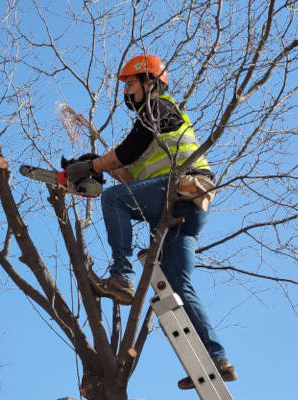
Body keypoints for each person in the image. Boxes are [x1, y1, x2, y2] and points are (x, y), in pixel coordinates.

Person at [65, 54, 236, 389]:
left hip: (182, 188)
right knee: (179, 285)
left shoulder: (158, 109)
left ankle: (121, 276)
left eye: (130, 83)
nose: (126, 91)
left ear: (151, 83)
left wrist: (94, 167)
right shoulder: (154, 123)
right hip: (187, 208)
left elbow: (127, 152)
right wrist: (95, 165)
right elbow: (131, 175)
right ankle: (217, 358)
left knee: (113, 200)